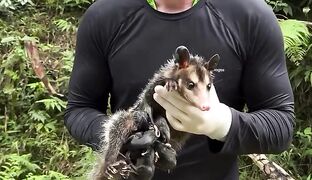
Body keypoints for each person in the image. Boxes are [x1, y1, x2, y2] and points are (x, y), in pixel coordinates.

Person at [64, 0, 295, 179]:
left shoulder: (250, 16)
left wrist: (222, 124)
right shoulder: (105, 16)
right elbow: (79, 110)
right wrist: (125, 136)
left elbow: (280, 125)